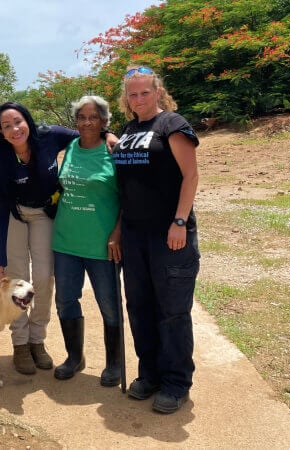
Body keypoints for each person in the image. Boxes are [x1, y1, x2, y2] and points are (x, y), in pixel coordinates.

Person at [112, 65, 200, 413]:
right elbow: (124, 187)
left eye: (145, 92)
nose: (138, 99)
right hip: (134, 236)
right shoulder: (129, 129)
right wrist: (118, 230)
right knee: (140, 307)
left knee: (172, 311)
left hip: (169, 235)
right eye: (132, 94)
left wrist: (179, 221)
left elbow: (191, 176)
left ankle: (176, 382)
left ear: (158, 92)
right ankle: (148, 374)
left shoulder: (172, 125)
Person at [0, 102, 79, 375]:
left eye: (18, 121)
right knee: (17, 278)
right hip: (13, 214)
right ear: (0, 133)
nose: (14, 129)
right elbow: (0, 214)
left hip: (44, 213)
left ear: (28, 120)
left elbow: (87, 134)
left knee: (44, 276)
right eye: (6, 126)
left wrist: (108, 135)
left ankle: (38, 339)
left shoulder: (50, 136)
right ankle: (21, 343)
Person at [51, 95, 123, 386]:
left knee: (109, 303)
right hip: (66, 240)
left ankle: (115, 363)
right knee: (66, 300)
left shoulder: (114, 150)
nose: (87, 122)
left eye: (94, 117)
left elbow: (129, 196)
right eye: (81, 117)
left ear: (104, 121)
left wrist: (118, 232)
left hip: (103, 243)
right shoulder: (69, 147)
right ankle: (74, 357)